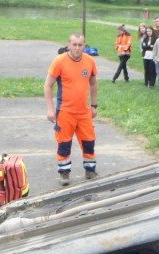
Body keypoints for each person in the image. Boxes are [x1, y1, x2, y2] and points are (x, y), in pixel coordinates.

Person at [44, 32, 98, 186]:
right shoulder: (59, 61)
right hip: (65, 112)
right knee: (64, 143)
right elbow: (47, 86)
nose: (77, 48)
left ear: (84, 46)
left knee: (89, 141)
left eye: (80, 45)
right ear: (69, 45)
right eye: (74, 45)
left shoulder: (90, 61)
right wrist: (50, 109)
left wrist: (94, 106)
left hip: (84, 112)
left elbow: (93, 83)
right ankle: (64, 173)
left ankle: (90, 170)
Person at [139, 23, 158, 88]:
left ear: (152, 31)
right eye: (147, 31)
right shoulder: (145, 38)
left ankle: (152, 83)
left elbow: (154, 47)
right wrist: (149, 46)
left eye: (150, 31)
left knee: (152, 70)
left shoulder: (155, 38)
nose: (148, 33)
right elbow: (143, 46)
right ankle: (146, 82)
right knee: (146, 70)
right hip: (146, 56)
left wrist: (148, 46)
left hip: (152, 57)